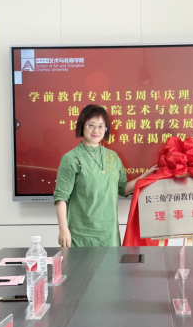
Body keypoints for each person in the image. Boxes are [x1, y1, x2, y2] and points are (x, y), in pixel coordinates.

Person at [54, 105, 157, 247]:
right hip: (80, 236)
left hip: (109, 235)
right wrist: (63, 229)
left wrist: (144, 177)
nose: (96, 130)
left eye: (101, 126)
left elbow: (122, 189)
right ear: (82, 126)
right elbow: (61, 197)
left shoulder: (113, 157)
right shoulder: (71, 159)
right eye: (91, 125)